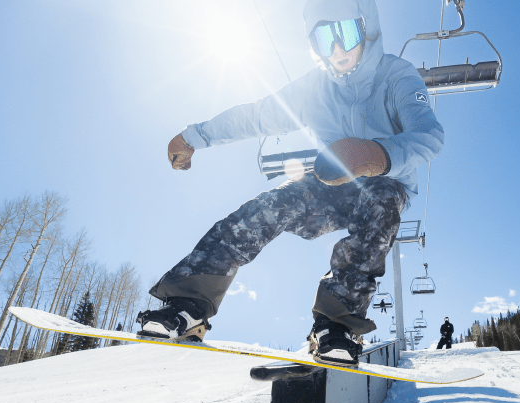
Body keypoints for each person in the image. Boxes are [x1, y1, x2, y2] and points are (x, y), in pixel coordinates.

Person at [135, 0, 444, 367]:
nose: (337, 50)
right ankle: (188, 304)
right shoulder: (313, 89)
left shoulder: (397, 75)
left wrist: (378, 155)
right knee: (269, 206)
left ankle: (335, 326)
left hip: (384, 181)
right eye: (324, 38)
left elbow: (429, 135)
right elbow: (255, 116)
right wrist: (195, 137)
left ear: (366, 29)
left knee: (379, 208)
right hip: (331, 183)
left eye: (344, 33)